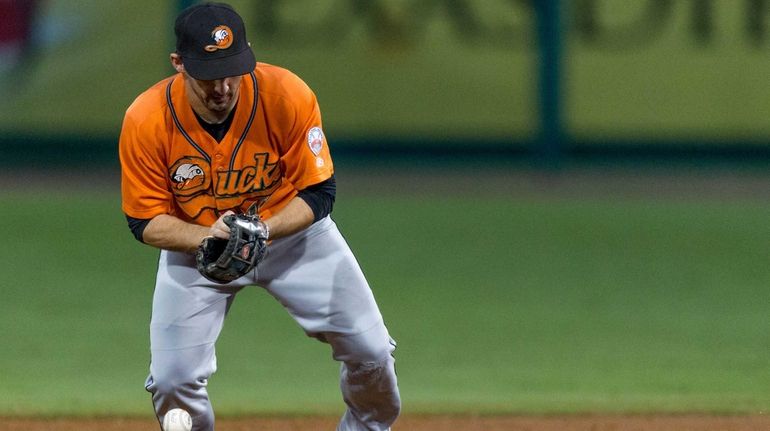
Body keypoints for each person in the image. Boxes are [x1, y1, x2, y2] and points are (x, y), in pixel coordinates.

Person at [118, 3, 401, 430]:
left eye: (233, 71)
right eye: (209, 75)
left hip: (294, 238)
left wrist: (262, 229)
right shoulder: (146, 118)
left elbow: (319, 193)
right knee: (173, 381)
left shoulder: (286, 94)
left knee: (371, 350)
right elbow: (144, 221)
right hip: (199, 248)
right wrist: (205, 238)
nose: (223, 87)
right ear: (179, 64)